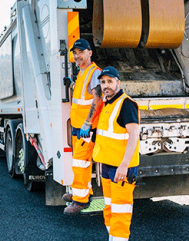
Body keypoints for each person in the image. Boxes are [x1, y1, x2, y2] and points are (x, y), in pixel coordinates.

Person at [93, 66, 140, 240]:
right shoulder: (107, 103)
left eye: (110, 81)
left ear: (118, 82)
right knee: (110, 208)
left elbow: (134, 135)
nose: (106, 86)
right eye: (103, 82)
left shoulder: (126, 104)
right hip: (108, 165)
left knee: (121, 212)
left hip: (121, 168)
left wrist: (124, 165)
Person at [63, 39, 103, 215]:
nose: (77, 55)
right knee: (81, 163)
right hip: (80, 127)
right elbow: (83, 95)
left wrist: (88, 122)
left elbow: (98, 98)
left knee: (81, 163)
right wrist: (71, 84)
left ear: (90, 53)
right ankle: (81, 192)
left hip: (87, 127)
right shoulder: (83, 72)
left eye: (81, 51)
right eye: (75, 52)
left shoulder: (94, 72)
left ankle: (80, 201)